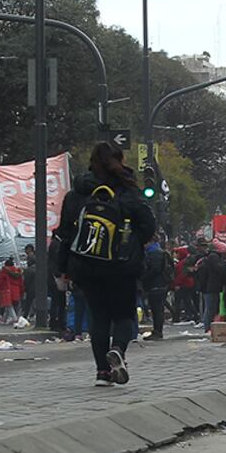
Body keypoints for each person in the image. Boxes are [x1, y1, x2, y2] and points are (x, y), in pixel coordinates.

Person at [53, 141, 156, 386]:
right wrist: (131, 245)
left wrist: (62, 268)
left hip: (86, 265)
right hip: (121, 266)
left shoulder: (77, 194)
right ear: (118, 160)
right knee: (124, 315)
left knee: (98, 318)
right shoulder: (127, 191)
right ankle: (118, 349)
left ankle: (102, 372)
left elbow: (65, 234)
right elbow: (148, 226)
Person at [140, 233, 172, 340]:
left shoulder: (154, 253)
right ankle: (157, 330)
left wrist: (144, 277)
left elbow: (154, 270)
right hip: (160, 284)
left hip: (156, 284)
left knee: (157, 309)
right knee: (157, 308)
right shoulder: (159, 252)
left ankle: (158, 331)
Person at [0, 256, 25, 326]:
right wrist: (22, 290)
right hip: (16, 289)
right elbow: (21, 282)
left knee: (9, 305)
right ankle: (4, 319)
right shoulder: (18, 271)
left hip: (7, 290)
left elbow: (0, 282)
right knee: (11, 305)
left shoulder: (4, 272)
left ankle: (14, 318)